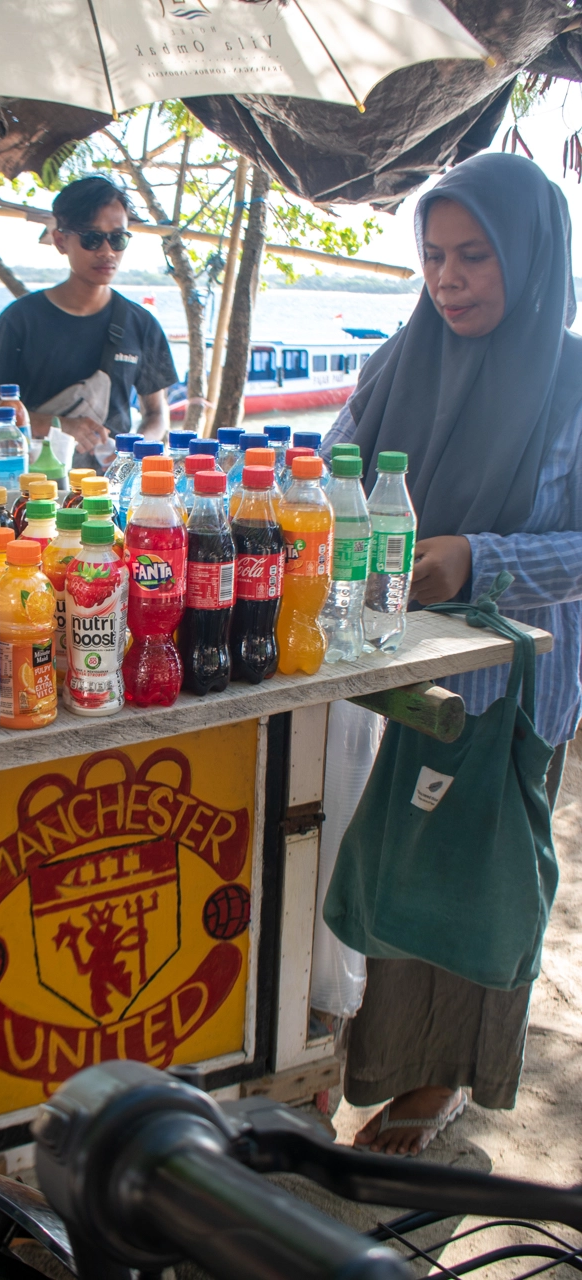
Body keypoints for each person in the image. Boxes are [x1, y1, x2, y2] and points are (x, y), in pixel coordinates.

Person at [324, 151, 582, 1156]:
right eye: (434, 255)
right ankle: (371, 1069)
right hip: (389, 669)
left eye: (475, 256)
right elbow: (337, 462)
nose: (450, 278)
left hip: (510, 688)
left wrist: (478, 558)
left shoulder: (568, 381)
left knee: (477, 885)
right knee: (390, 873)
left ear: (532, 256)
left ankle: (445, 1083)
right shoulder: (403, 356)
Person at [0, 176, 178, 466]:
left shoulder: (142, 324)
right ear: (61, 241)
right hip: (38, 490)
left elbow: (157, 414)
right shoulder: (20, 320)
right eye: (91, 238)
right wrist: (61, 425)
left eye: (117, 238)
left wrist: (136, 449)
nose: (106, 251)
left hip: (110, 490)